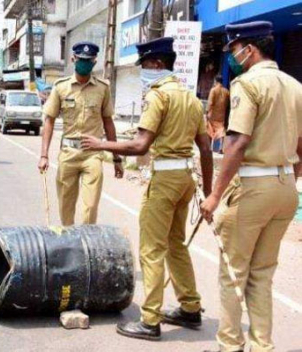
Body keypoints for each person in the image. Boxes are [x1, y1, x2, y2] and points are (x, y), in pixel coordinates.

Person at [80, 37, 214, 340]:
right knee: (176, 245)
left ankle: (150, 320)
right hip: (185, 180)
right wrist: (207, 190)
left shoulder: (158, 97)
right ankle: (190, 308)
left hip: (165, 180)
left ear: (156, 64)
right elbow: (205, 149)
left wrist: (102, 143)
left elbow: (141, 144)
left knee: (152, 250)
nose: (144, 72)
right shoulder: (191, 98)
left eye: (145, 66)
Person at [200, 21, 302, 352]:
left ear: (249, 49)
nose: (232, 56)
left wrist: (215, 195)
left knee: (233, 273)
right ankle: (262, 346)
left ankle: (229, 346)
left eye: (233, 50)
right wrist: (290, 178)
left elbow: (237, 144)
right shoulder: (294, 86)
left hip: (252, 188)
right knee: (262, 274)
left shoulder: (247, 84)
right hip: (285, 186)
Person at [38, 41, 123, 226]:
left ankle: (86, 245)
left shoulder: (103, 88)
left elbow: (108, 123)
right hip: (68, 154)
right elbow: (49, 120)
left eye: (88, 60)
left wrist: (116, 158)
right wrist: (44, 155)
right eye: (81, 59)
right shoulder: (61, 87)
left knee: (90, 208)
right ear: (73, 59)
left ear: (94, 62)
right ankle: (70, 242)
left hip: (92, 155)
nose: (84, 63)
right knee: (65, 208)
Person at [206, 75, 230, 151]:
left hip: (213, 114)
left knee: (210, 130)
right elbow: (227, 104)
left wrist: (207, 112)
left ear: (215, 81)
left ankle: (209, 146)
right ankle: (220, 147)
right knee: (221, 130)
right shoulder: (226, 91)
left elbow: (210, 103)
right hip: (221, 115)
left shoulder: (213, 90)